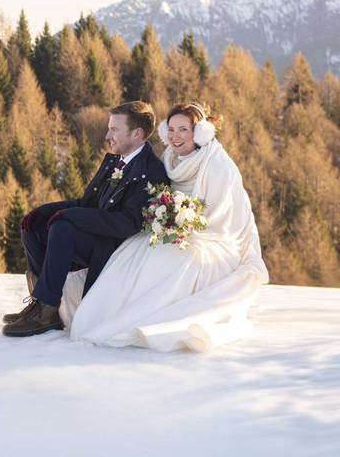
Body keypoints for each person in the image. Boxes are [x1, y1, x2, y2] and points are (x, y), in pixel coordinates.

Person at [64, 103, 268, 352]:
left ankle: (139, 318)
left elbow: (223, 217)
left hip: (211, 238)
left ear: (200, 132)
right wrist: (166, 217)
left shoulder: (218, 166)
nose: (175, 136)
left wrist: (185, 222)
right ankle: (99, 314)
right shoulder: (170, 160)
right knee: (132, 252)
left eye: (183, 129)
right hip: (172, 229)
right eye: (171, 129)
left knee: (173, 259)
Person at [2, 101, 169, 338]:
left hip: (114, 246)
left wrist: (70, 217)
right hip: (97, 232)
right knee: (34, 226)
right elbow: (87, 202)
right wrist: (44, 211)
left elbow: (127, 222)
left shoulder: (151, 171)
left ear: (137, 133)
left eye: (114, 129)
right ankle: (40, 304)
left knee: (62, 229)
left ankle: (48, 311)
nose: (107, 135)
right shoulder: (116, 160)